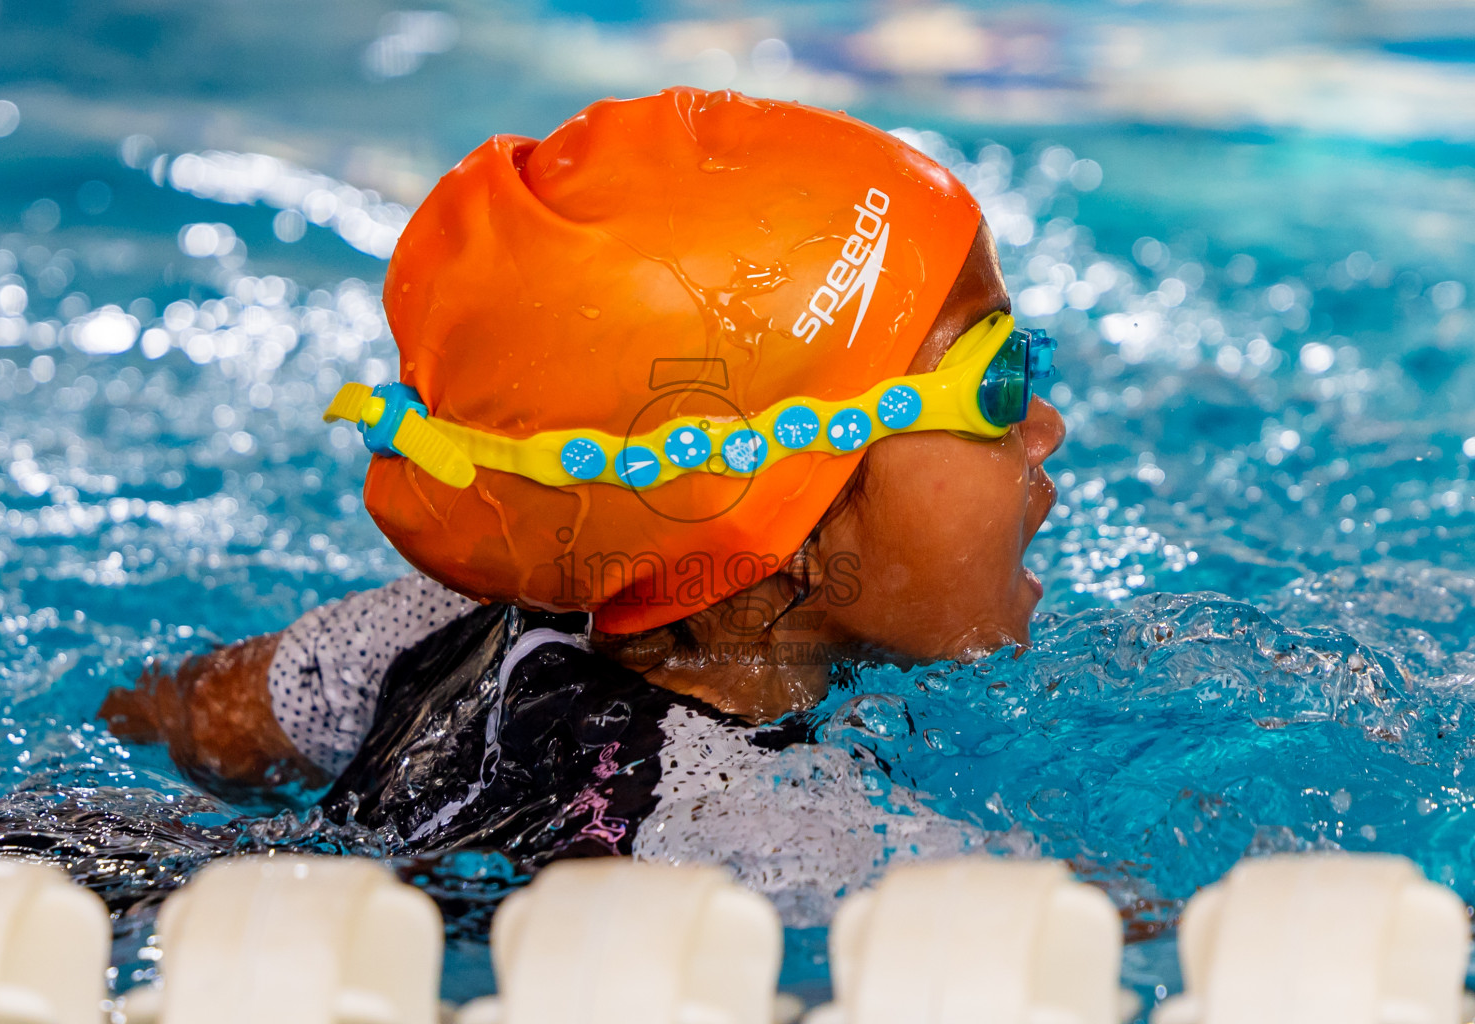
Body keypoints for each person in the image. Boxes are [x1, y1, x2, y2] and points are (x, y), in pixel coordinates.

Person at [98, 87, 1065, 869]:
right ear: (788, 527)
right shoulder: (780, 837)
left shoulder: (429, 631)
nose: (1045, 428)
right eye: (997, 380)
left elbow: (176, 715)